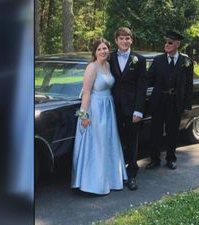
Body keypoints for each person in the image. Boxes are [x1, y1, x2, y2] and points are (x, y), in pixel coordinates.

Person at [71, 38, 127, 195]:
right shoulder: (92, 67)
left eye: (105, 48)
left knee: (108, 143)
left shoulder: (108, 65)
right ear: (95, 52)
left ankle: (109, 180)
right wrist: (83, 115)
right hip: (95, 109)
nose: (103, 51)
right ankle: (93, 183)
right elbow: (86, 92)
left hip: (108, 108)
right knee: (97, 145)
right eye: (99, 49)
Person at [146, 31, 193, 170]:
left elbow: (188, 85)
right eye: (166, 42)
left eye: (170, 43)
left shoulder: (186, 62)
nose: (166, 45)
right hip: (158, 101)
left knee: (173, 132)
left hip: (175, 102)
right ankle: (154, 159)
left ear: (178, 44)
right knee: (156, 132)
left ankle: (171, 158)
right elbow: (149, 80)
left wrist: (187, 105)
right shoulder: (158, 60)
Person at [109, 27, 147, 190]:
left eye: (128, 38)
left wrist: (138, 110)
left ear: (131, 40)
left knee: (132, 142)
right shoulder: (109, 58)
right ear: (116, 40)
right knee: (115, 141)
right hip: (112, 109)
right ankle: (116, 174)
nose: (124, 41)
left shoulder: (139, 59)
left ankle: (131, 174)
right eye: (121, 38)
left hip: (132, 110)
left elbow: (142, 87)